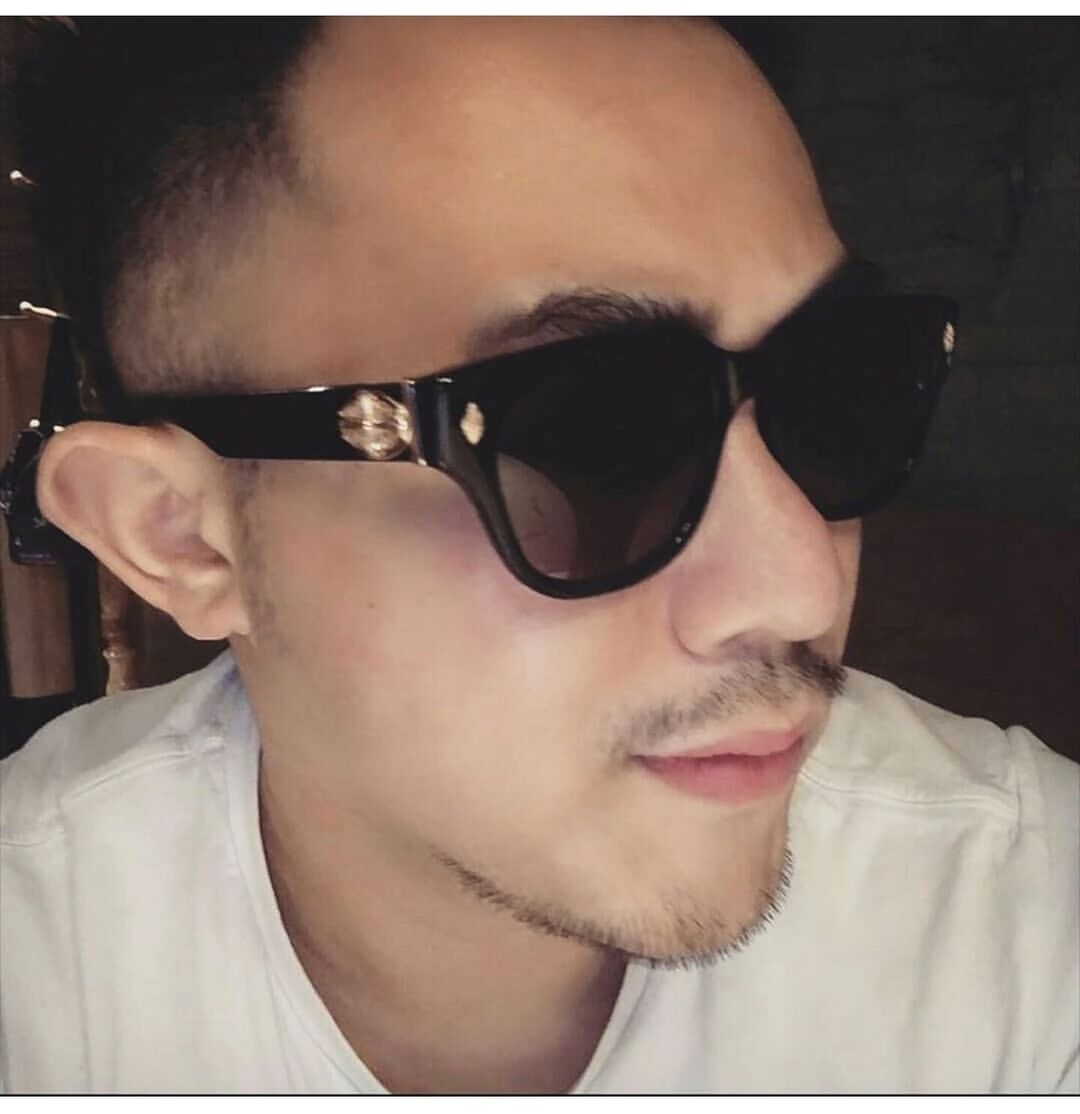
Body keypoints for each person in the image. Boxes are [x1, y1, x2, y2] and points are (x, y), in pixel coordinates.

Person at [0, 16, 1076, 1095]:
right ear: (180, 534)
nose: (800, 589)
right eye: (591, 435)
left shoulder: (1026, 923)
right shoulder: (39, 978)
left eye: (837, 382)